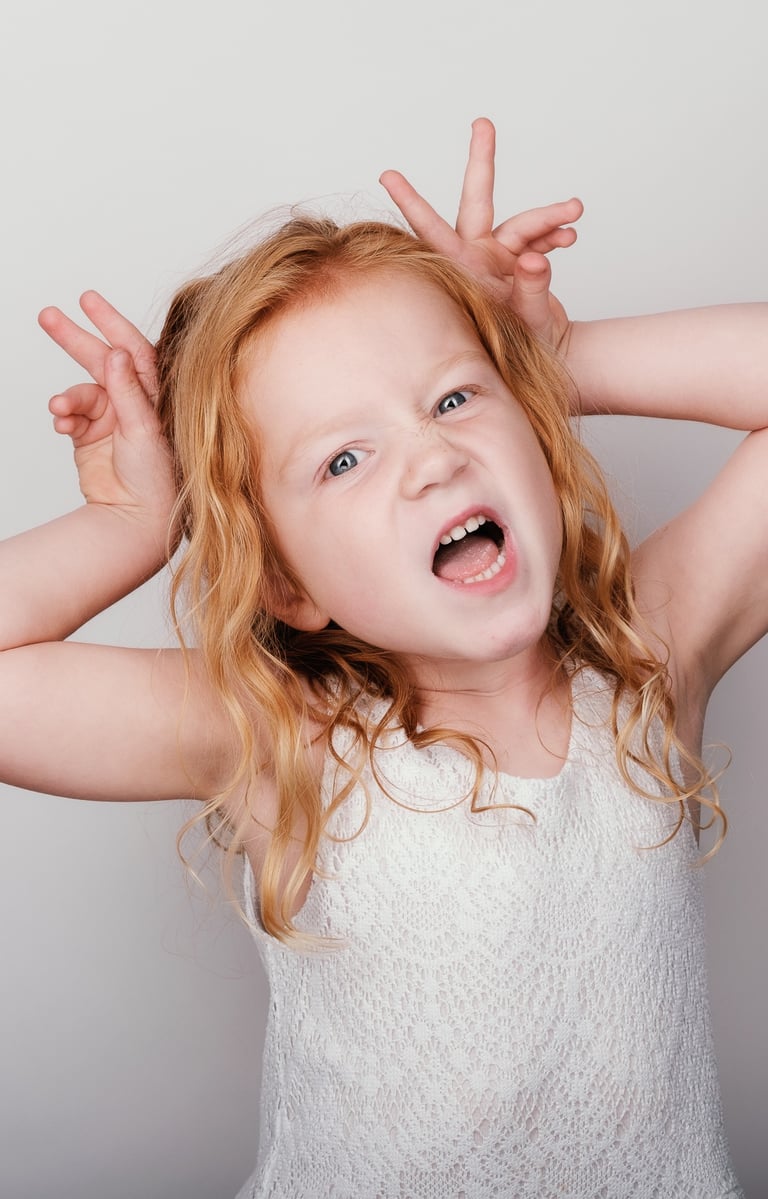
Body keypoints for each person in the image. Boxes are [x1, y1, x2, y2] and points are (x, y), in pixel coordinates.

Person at [2, 118, 762, 1197]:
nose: (430, 458)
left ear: (536, 437)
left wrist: (556, 355)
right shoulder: (286, 736)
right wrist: (134, 522)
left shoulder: (649, 660)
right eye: (345, 458)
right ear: (288, 584)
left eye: (455, 396)